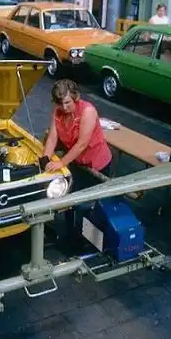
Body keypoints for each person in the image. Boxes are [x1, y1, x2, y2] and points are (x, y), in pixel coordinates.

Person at [43, 80, 112, 242]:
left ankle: (91, 240)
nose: (64, 107)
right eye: (60, 104)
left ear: (76, 97)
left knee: (88, 205)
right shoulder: (58, 112)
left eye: (67, 102)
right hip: (76, 162)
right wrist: (44, 160)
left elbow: (82, 144)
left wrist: (61, 163)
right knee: (69, 198)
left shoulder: (88, 111)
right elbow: (52, 138)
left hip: (96, 164)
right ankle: (72, 235)